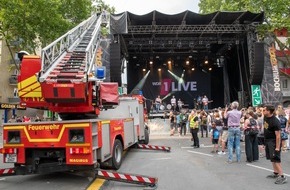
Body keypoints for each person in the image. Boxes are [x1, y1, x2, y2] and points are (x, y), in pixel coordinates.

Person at [263, 104, 287, 184]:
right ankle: (276, 173)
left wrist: (277, 147)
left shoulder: (275, 121)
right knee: (272, 158)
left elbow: (278, 136)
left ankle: (282, 176)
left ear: (269, 111)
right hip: (268, 141)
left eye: (264, 110)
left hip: (273, 142)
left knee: (276, 158)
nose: (263, 111)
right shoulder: (265, 117)